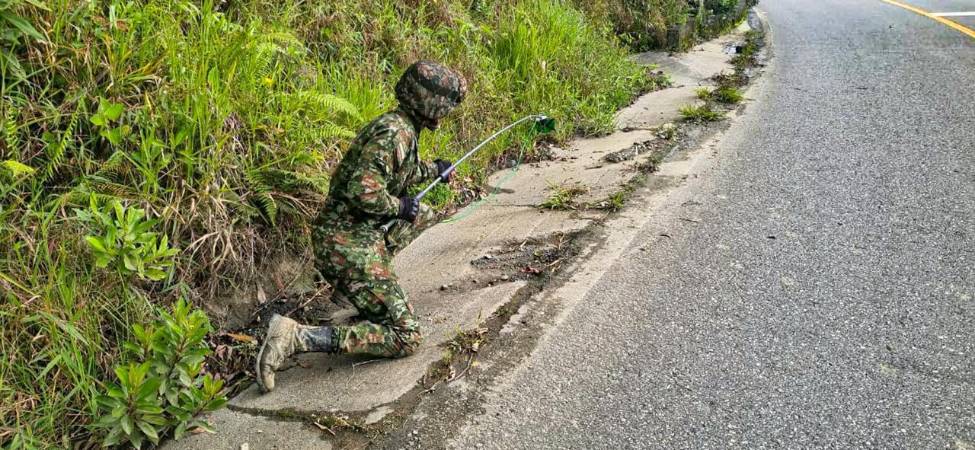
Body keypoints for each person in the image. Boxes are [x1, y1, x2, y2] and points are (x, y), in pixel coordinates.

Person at [255, 60, 467, 393]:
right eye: (445, 106)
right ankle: (296, 337)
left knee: (423, 213)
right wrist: (400, 206)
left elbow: (399, 172)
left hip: (354, 236)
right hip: (345, 244)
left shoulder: (401, 128)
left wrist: (433, 170)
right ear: (431, 104)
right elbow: (363, 191)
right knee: (405, 336)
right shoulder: (394, 133)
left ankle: (363, 292)